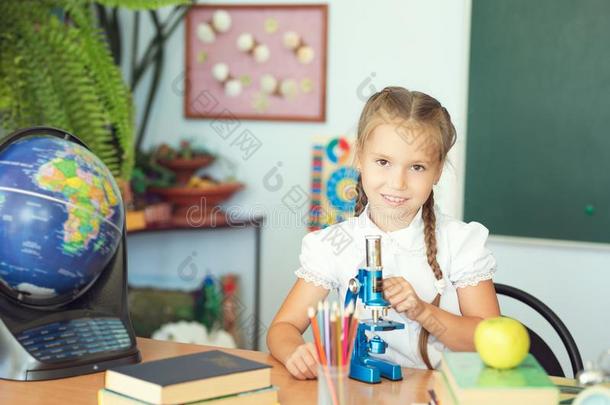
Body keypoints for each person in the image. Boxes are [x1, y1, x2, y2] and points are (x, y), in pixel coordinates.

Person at [267, 86, 500, 380]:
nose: (397, 182)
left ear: (438, 171)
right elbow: (282, 328)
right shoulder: (331, 245)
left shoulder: (460, 242)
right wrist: (294, 352)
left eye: (417, 167)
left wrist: (421, 311)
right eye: (383, 162)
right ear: (360, 157)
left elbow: (490, 341)